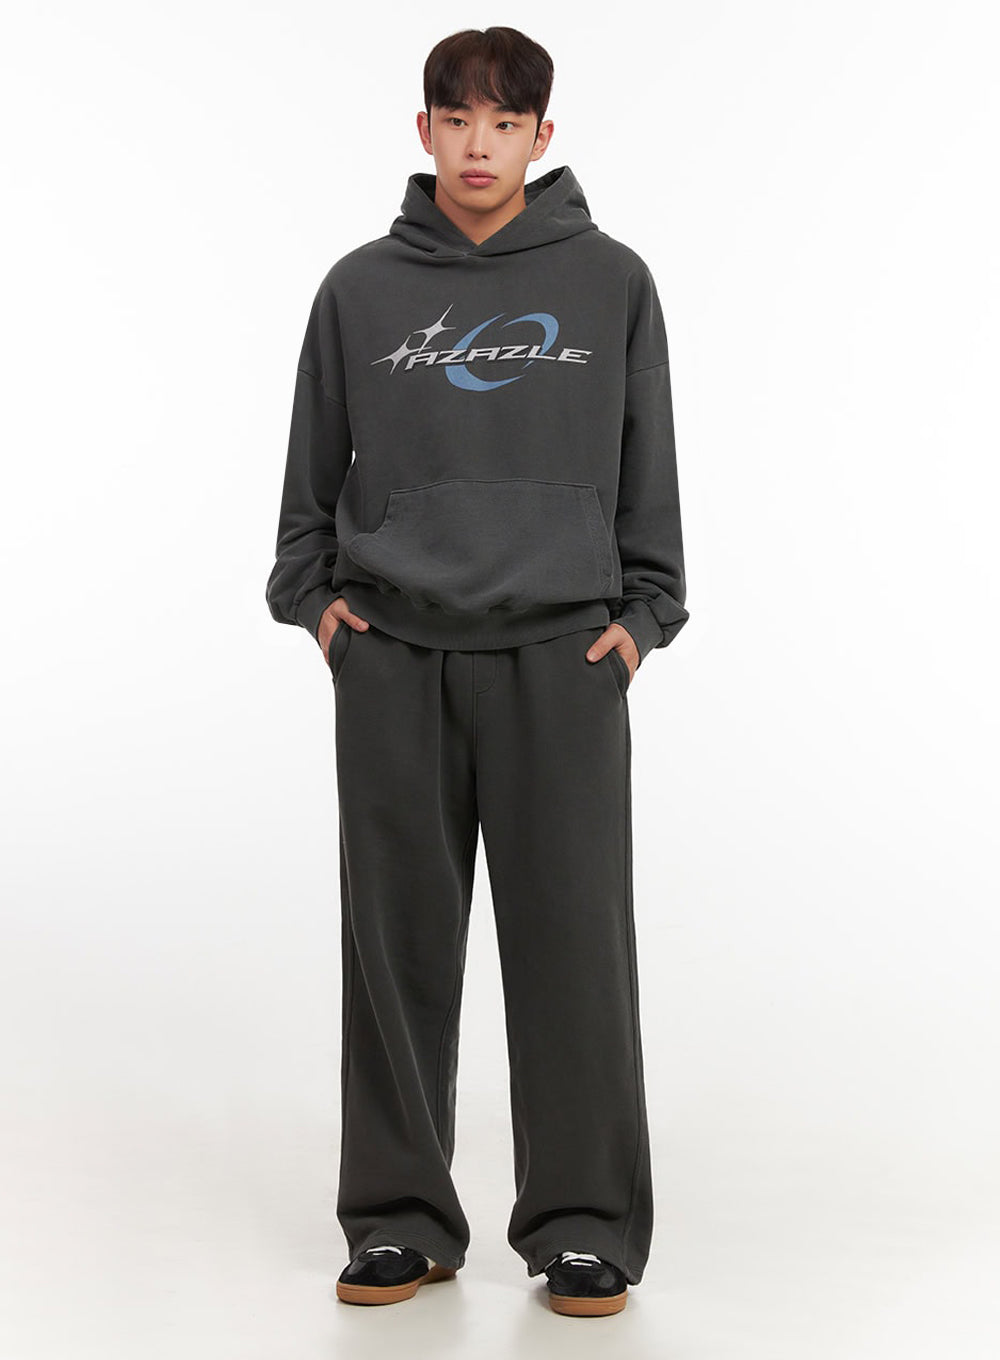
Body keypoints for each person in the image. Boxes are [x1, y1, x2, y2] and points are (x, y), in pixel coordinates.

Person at [265, 25, 689, 1318]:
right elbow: (306, 497)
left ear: (542, 138)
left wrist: (643, 618)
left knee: (574, 951)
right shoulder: (359, 290)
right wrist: (325, 614)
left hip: (562, 663)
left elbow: (650, 472)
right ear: (425, 130)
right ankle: (400, 1219)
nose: (479, 146)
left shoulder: (611, 282)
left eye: (505, 124)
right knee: (394, 952)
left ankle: (583, 1227)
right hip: (395, 657)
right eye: (457, 120)